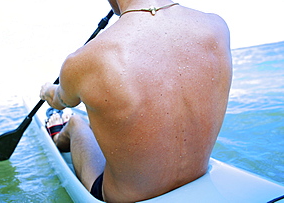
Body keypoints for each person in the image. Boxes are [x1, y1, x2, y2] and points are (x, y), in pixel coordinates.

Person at [39, 0, 232, 202]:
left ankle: (61, 132)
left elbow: (60, 100)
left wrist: (45, 91)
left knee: (76, 122)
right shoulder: (217, 27)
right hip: (198, 177)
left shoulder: (83, 59)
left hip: (122, 198)